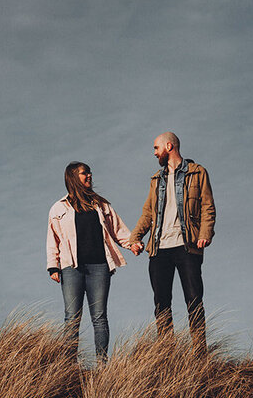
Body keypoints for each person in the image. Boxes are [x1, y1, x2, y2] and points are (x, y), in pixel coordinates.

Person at [128, 132, 215, 352]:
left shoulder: (197, 173)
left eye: (156, 148)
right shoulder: (156, 179)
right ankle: (167, 352)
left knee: (194, 300)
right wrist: (135, 238)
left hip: (187, 246)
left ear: (169, 145)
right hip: (159, 249)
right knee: (161, 304)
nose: (155, 152)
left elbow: (207, 206)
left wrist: (205, 232)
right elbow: (148, 213)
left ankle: (199, 352)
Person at [46, 162, 133, 364]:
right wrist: (53, 265)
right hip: (71, 268)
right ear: (73, 177)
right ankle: (69, 365)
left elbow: (118, 229)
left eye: (89, 172)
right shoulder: (59, 208)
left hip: (99, 267)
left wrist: (132, 244)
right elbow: (53, 239)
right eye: (85, 173)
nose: (89, 176)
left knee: (100, 317)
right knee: (71, 318)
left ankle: (102, 363)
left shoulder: (101, 205)